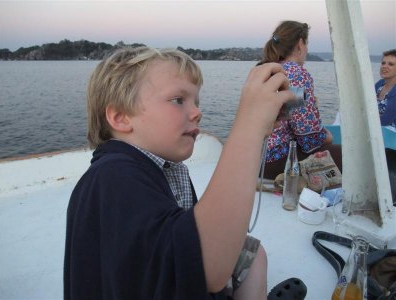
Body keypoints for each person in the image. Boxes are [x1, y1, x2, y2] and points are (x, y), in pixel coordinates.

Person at [64, 47, 307, 299]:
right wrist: (250, 124)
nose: (197, 112)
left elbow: (202, 233)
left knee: (252, 254)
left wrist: (260, 132)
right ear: (121, 117)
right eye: (178, 100)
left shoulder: (163, 168)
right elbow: (206, 266)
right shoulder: (112, 176)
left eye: (196, 102)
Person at [257, 20, 342, 179]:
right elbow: (308, 138)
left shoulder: (266, 69)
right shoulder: (296, 75)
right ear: (300, 44)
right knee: (351, 155)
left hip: (257, 159)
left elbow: (289, 114)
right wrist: (326, 137)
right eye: (307, 44)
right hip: (278, 161)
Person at [375, 49, 396, 130]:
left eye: (391, 64)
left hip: (391, 134)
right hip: (378, 130)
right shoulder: (380, 84)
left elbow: (386, 120)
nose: (384, 66)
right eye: (383, 63)